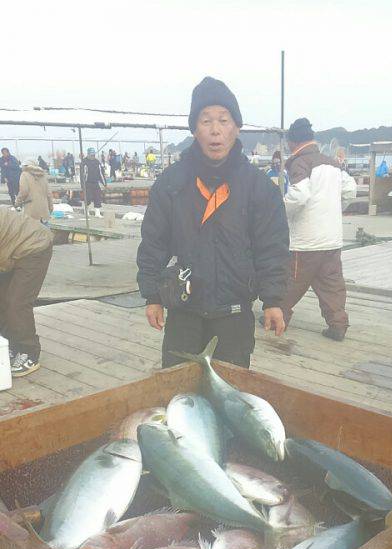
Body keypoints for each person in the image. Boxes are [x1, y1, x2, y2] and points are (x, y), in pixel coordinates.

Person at [137, 76, 289, 369]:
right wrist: (152, 296)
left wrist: (273, 300)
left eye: (224, 119)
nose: (215, 130)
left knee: (231, 394)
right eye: (206, 121)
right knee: (178, 392)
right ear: (195, 129)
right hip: (184, 312)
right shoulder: (172, 183)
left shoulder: (259, 187)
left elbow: (273, 247)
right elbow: (153, 242)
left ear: (237, 126)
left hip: (234, 314)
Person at [282, 117, 356, 341]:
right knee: (332, 284)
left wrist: (281, 211)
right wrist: (334, 208)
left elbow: (299, 195)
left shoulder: (300, 162)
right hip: (332, 238)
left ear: (292, 142)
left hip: (305, 240)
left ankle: (279, 316)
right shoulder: (331, 162)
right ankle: (338, 325)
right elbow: (351, 189)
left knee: (291, 281)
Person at [0, 206, 53, 376]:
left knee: (16, 303)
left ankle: (29, 352)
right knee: (2, 300)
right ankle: (10, 346)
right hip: (11, 252)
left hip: (34, 247)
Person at [82, 148, 106, 217]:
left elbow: (101, 173)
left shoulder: (97, 162)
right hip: (87, 183)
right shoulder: (84, 162)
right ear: (88, 154)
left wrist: (104, 183)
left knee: (97, 197)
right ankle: (86, 211)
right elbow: (82, 175)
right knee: (88, 197)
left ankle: (97, 213)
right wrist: (82, 185)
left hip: (96, 182)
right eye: (91, 155)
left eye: (93, 155)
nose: (93, 156)